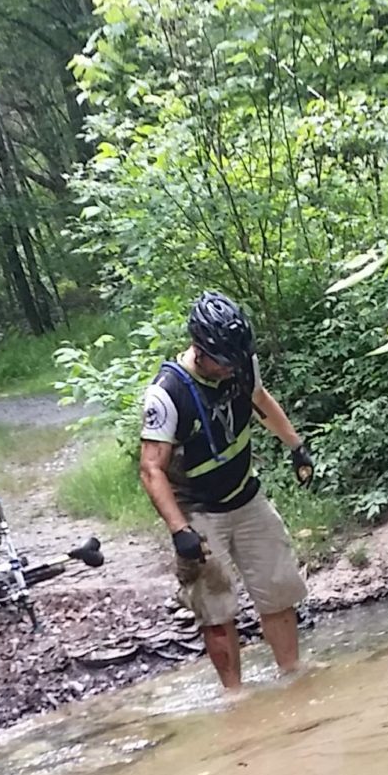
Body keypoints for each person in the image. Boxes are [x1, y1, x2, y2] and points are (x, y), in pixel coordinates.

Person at [138, 291, 315, 692]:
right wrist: (180, 530)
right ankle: (235, 699)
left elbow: (259, 399)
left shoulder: (240, 361)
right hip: (198, 510)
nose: (231, 369)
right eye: (223, 361)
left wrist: (296, 446)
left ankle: (294, 677)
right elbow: (151, 469)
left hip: (246, 496)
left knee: (277, 589)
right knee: (216, 609)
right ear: (200, 351)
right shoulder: (167, 394)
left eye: (237, 359)